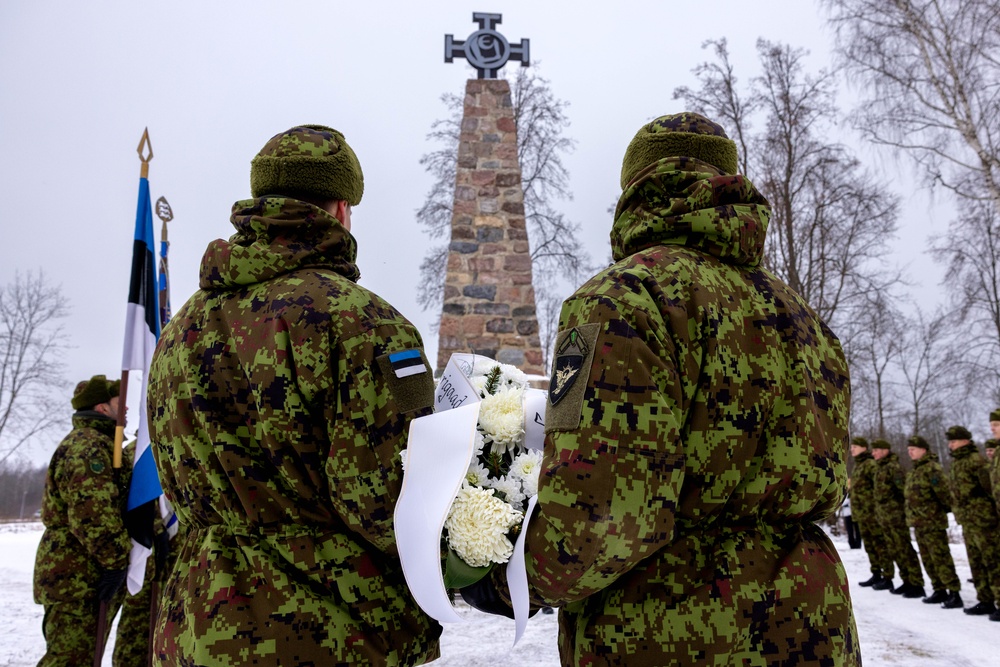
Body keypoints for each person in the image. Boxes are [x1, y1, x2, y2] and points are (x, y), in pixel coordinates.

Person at [466, 113, 859, 665]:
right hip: (815, 622)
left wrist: (509, 580)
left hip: (670, 626)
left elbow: (604, 510)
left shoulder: (618, 301)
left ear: (635, 188)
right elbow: (832, 480)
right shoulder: (804, 319)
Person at [147, 125, 441, 665]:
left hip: (194, 627)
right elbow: (392, 496)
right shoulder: (369, 325)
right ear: (341, 208)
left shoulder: (179, 331)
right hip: (326, 631)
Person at [34, 375, 132, 666]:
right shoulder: (87, 447)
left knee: (85, 657)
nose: (126, 408)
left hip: (86, 573)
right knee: (70, 660)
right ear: (102, 408)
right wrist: (116, 561)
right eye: (120, 402)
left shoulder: (102, 443)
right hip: (75, 577)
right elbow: (92, 515)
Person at [945, 425, 1000, 621]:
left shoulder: (976, 462)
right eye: (949, 442)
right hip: (968, 521)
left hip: (984, 520)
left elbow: (990, 489)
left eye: (954, 441)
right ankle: (985, 599)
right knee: (976, 563)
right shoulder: (957, 463)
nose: (950, 445)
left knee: (993, 561)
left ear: (966, 441)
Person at [904, 435, 962, 609]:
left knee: (941, 558)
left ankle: (954, 592)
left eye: (913, 449)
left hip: (933, 522)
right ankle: (939, 589)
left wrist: (937, 513)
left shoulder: (932, 469)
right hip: (919, 522)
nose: (910, 452)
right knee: (928, 559)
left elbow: (944, 496)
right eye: (908, 450)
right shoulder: (915, 470)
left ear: (923, 450)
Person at [870, 438, 925, 597]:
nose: (873, 453)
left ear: (885, 451)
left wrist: (903, 513)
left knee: (905, 548)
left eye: (876, 450)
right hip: (885, 518)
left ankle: (916, 583)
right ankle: (906, 580)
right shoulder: (880, 468)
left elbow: (904, 493)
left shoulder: (894, 468)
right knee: (895, 550)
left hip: (897, 517)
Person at [850, 437, 893, 588]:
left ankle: (887, 577)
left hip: (872, 514)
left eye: (855, 446)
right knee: (869, 546)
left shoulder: (870, 465)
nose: (852, 449)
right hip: (862, 514)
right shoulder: (858, 466)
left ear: (863, 448)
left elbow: (878, 488)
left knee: (880, 545)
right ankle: (876, 573)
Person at [841, 482, 862, 549]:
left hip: (855, 513)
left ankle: (858, 544)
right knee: (850, 530)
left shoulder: (855, 492)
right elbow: (843, 502)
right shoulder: (844, 493)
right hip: (847, 514)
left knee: (857, 529)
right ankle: (851, 544)